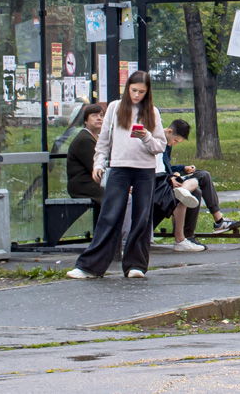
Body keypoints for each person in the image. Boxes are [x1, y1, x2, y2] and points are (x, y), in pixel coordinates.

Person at [67, 71, 166, 280]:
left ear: (148, 93)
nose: (137, 95)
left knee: (142, 217)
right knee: (110, 215)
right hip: (120, 168)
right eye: (133, 90)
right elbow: (103, 140)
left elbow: (160, 146)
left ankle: (136, 265)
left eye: (141, 92)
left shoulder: (152, 113)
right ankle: (91, 266)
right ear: (127, 88)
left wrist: (146, 136)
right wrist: (98, 163)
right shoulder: (114, 107)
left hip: (145, 169)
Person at [157, 119, 240, 252]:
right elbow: (157, 169)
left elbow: (166, 167)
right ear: (169, 131)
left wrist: (182, 169)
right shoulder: (158, 142)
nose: (175, 144)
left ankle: (188, 235)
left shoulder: (167, 142)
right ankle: (218, 221)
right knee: (203, 177)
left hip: (168, 179)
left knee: (196, 190)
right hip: (162, 183)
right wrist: (171, 177)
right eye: (176, 141)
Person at [65, 103, 108, 203]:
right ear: (85, 121)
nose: (99, 118)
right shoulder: (84, 139)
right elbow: (95, 167)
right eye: (94, 115)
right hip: (84, 186)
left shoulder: (98, 137)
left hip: (93, 183)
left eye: (101, 115)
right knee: (119, 195)